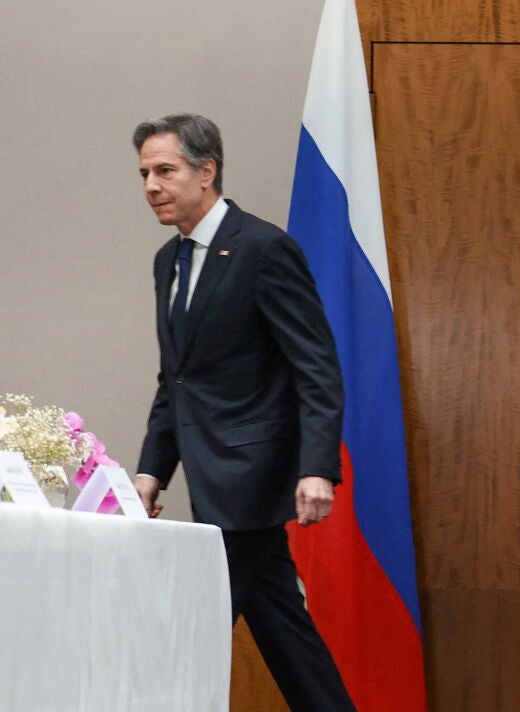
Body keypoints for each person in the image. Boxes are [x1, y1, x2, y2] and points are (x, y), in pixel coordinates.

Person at [131, 113, 355, 711]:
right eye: (145, 173)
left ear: (206, 171)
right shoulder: (167, 261)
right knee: (285, 632)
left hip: (252, 477)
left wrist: (316, 467)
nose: (151, 185)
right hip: (210, 479)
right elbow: (177, 379)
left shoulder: (263, 248)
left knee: (187, 637)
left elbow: (316, 367)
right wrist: (152, 470)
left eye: (165, 170)